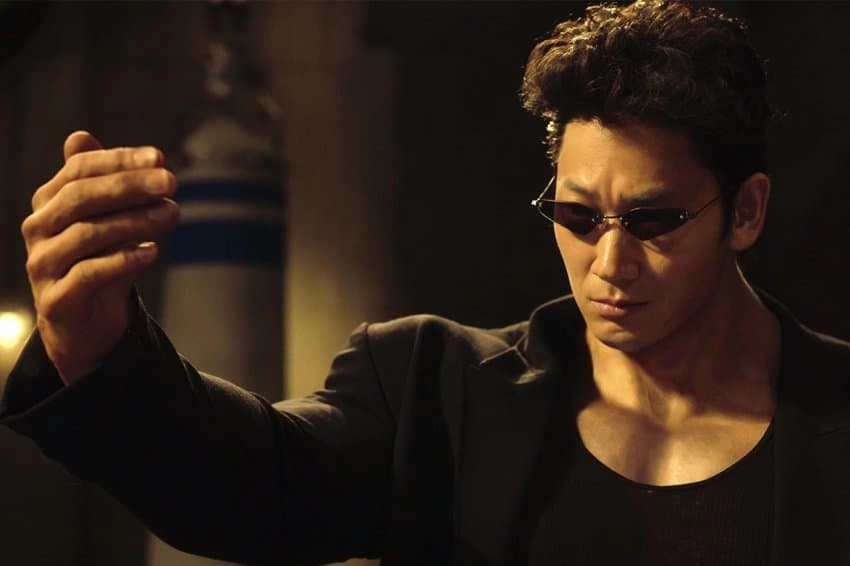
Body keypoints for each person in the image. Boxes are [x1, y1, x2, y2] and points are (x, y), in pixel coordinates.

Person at [3, 0, 850, 564]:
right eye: (577, 215)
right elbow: (242, 483)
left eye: (654, 220)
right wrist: (98, 346)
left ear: (746, 211)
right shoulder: (433, 389)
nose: (610, 262)